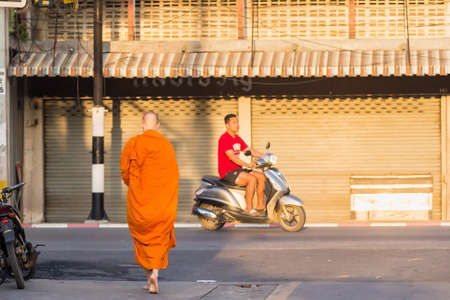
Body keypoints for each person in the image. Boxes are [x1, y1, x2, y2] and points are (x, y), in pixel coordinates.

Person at [120, 111, 179, 294]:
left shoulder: (133, 143)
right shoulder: (166, 145)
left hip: (140, 203)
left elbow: (125, 171)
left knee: (142, 239)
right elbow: (174, 176)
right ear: (158, 125)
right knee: (159, 239)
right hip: (161, 204)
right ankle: (155, 274)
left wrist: (135, 186)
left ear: (142, 124)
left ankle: (148, 278)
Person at [218, 114, 266, 215]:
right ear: (227, 125)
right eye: (234, 123)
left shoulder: (237, 138)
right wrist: (247, 164)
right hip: (227, 172)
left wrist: (265, 156)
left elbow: (250, 150)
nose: (237, 125)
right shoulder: (224, 138)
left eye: (237, 122)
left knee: (261, 176)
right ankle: (248, 209)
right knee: (252, 179)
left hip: (237, 170)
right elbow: (232, 157)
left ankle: (260, 206)